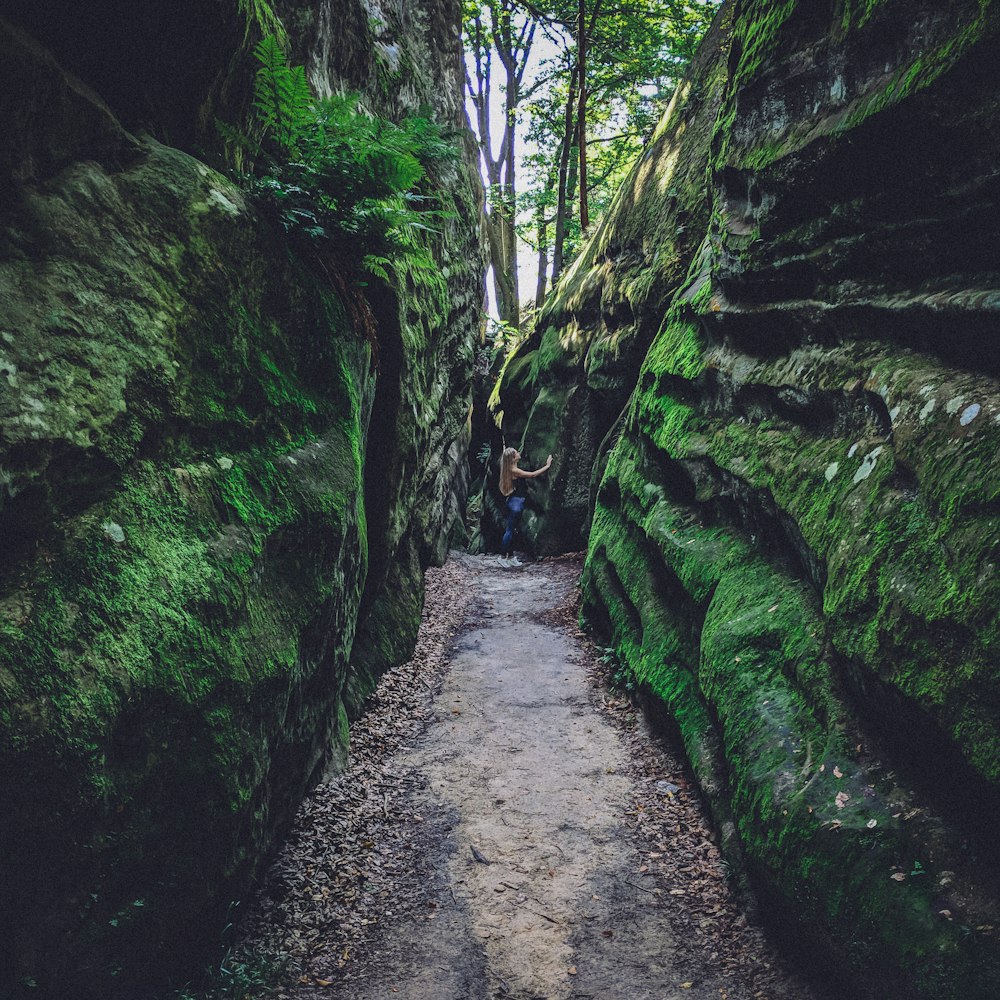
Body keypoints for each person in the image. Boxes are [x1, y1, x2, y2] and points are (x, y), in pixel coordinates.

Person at [498, 446, 553, 562]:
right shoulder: (514, 471)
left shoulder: (511, 469)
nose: (519, 453)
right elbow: (532, 475)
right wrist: (547, 466)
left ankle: (511, 557)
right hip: (515, 503)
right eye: (516, 453)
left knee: (513, 530)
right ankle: (502, 557)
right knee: (509, 530)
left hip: (515, 502)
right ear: (513, 458)